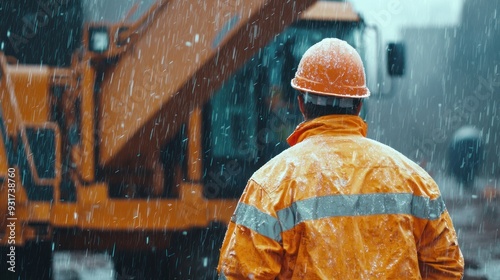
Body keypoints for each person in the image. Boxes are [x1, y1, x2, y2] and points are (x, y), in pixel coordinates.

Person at [217, 38, 464, 279]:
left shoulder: (269, 185)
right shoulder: (416, 181)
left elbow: (239, 273)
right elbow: (447, 266)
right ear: (358, 105)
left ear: (301, 103)